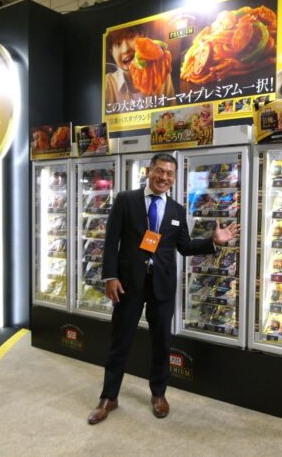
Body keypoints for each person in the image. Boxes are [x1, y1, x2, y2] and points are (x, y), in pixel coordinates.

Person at [88, 153, 239, 424]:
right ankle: (109, 397)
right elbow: (111, 241)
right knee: (120, 342)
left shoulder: (177, 211)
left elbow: (185, 247)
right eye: (159, 171)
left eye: (170, 173)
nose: (164, 177)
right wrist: (110, 276)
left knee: (161, 343)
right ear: (149, 171)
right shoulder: (126, 200)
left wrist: (213, 241)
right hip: (128, 284)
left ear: (174, 177)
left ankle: (158, 394)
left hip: (162, 285)